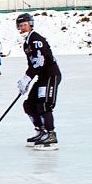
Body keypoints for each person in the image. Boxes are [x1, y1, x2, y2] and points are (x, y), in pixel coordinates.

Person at [15, 13, 62, 151]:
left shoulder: (36, 39)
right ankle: (41, 131)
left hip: (50, 76)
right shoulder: (27, 43)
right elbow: (32, 64)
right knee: (29, 104)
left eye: (25, 25)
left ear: (31, 24)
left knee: (44, 104)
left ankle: (51, 134)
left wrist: (27, 77)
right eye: (20, 26)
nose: (22, 28)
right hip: (42, 77)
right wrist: (26, 81)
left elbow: (40, 62)